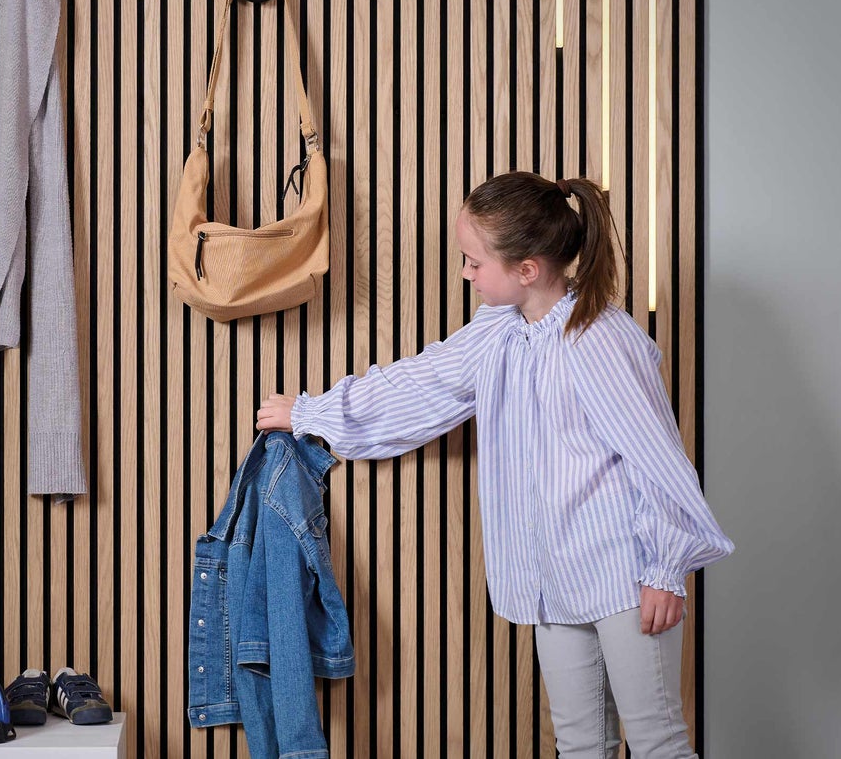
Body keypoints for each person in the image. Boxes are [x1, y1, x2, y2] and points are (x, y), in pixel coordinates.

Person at [255, 171, 733, 759]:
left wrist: (665, 569)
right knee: (582, 744)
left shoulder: (601, 340)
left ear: (527, 269)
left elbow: (657, 459)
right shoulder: (500, 334)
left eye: (474, 262)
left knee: (659, 741)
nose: (465, 273)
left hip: (627, 578)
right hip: (552, 579)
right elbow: (419, 384)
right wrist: (311, 413)